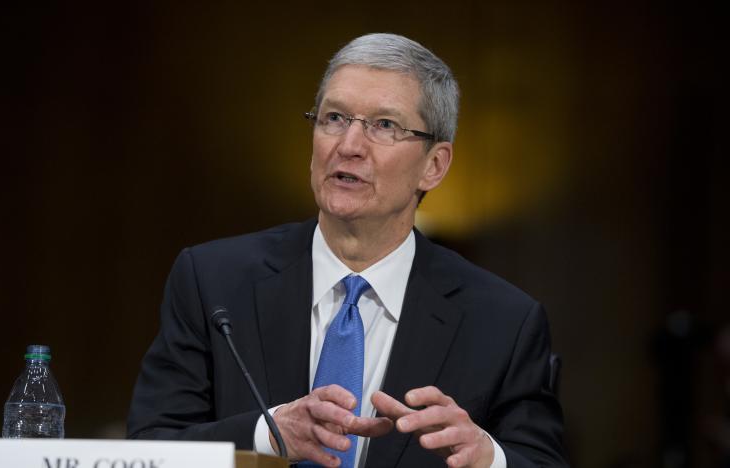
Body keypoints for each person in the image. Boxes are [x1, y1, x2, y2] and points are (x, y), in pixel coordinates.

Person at [127, 33, 567, 467]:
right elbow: (151, 445)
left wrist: (488, 459)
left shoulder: (502, 321)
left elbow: (539, 459)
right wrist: (269, 434)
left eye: (385, 126)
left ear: (434, 166)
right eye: (334, 118)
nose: (349, 146)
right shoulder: (213, 281)